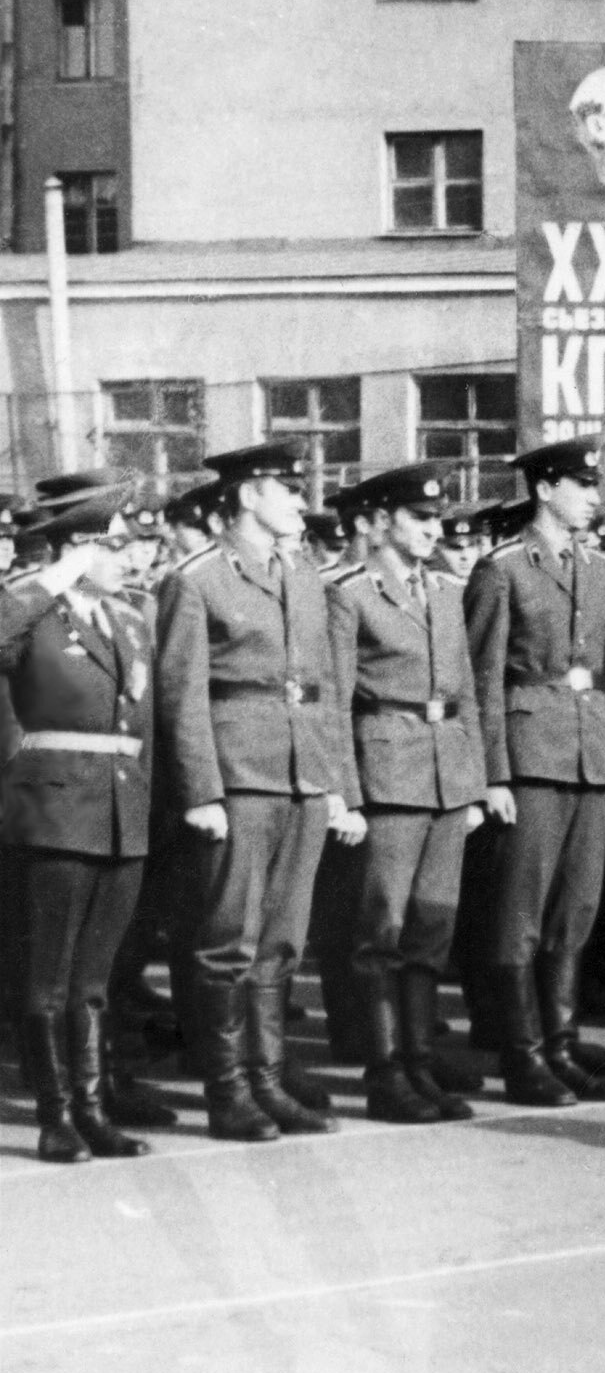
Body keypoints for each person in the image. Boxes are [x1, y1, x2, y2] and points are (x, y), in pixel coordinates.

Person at [160, 441, 363, 1142]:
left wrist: (333, 781)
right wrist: (201, 790)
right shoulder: (197, 580)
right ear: (248, 495)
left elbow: (326, 688)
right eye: (288, 490)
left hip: (301, 774)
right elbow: (181, 695)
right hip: (240, 773)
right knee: (228, 940)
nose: (301, 503)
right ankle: (227, 1092)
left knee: (282, 941)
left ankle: (269, 1083)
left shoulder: (303, 575)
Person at [466, 438, 605, 1106]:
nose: (594, 497)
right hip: (531, 752)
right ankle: (522, 1054)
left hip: (589, 753)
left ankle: (560, 1046)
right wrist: (495, 775)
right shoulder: (502, 569)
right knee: (521, 912)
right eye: (582, 484)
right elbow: (483, 678)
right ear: (544, 488)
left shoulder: (598, 570)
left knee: (576, 909)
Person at [1, 476, 158, 1161]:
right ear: (75, 548)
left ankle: (92, 1106)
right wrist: (49, 578)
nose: (131, 558)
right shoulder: (34, 614)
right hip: (55, 809)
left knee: (94, 978)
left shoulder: (128, 619)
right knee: (49, 975)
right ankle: (55, 1113)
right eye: (115, 544)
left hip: (122, 807)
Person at [327, 465, 487, 1125]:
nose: (433, 530)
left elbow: (466, 689)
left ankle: (419, 1061)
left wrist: (474, 781)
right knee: (382, 931)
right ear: (383, 520)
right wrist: (345, 793)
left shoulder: (448, 590)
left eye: (437, 520)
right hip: (389, 770)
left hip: (447, 772)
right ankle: (386, 1071)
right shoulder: (349, 594)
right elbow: (335, 703)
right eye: (420, 519)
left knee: (430, 927)